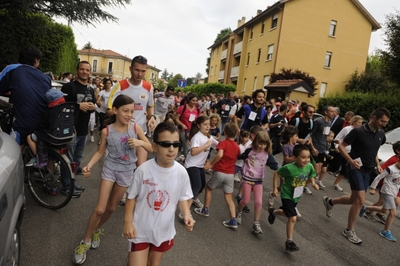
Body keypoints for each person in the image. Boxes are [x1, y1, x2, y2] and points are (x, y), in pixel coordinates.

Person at [72, 95, 152, 265]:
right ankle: (85, 241)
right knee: (100, 209)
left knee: (111, 208)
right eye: (125, 111)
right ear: (115, 110)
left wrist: (139, 142)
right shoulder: (106, 131)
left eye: (132, 111)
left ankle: (97, 229)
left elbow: (151, 147)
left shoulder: (136, 128)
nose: (129, 114)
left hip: (126, 173)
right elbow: (101, 152)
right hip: (109, 170)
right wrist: (89, 165)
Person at [123, 122, 195, 266]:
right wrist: (128, 222)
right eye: (165, 144)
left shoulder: (181, 172)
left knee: (153, 264)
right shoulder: (143, 170)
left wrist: (187, 214)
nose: (171, 149)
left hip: (164, 231)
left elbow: (183, 197)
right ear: (154, 147)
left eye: (176, 144)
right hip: (140, 230)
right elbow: (131, 197)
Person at [322, 108, 390, 245]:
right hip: (355, 168)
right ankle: (349, 230)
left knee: (354, 199)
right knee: (360, 200)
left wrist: (377, 163)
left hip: (368, 170)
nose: (384, 124)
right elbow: (341, 146)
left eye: (386, 122)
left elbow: (374, 150)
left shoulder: (381, 134)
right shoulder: (358, 131)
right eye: (383, 121)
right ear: (374, 117)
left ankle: (330, 202)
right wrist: (350, 160)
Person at [107, 55, 156, 166]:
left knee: (140, 166)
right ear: (130, 69)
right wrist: (123, 116)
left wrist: (152, 117)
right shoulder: (120, 86)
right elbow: (109, 110)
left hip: (140, 132)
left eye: (143, 71)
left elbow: (150, 106)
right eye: (137, 70)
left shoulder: (148, 87)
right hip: (122, 133)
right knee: (122, 166)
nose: (140, 74)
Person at [268, 144, 318, 252]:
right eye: (303, 157)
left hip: (297, 195)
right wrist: (275, 188)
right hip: (287, 195)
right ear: (295, 157)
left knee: (288, 213)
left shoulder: (309, 166)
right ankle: (289, 242)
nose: (306, 160)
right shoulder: (289, 168)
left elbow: (312, 174)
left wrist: (313, 183)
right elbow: (277, 173)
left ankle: (274, 212)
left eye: (308, 157)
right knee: (293, 217)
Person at [0, 45, 51, 145]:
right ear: (36, 60)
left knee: (12, 150)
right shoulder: (45, 77)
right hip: (42, 123)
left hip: (22, 123)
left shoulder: (11, 69)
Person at [61, 61, 96, 197]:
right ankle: (66, 186)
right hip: (70, 131)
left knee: (76, 161)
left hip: (83, 131)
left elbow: (92, 105)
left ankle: (72, 183)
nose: (85, 72)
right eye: (82, 69)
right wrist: (77, 106)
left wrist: (93, 108)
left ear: (90, 72)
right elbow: (61, 107)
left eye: (87, 70)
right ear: (77, 71)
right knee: (68, 161)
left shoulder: (90, 89)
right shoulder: (69, 87)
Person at [196, 123, 240, 229]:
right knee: (229, 197)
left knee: (209, 189)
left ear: (225, 132)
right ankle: (233, 219)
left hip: (220, 171)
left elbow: (220, 154)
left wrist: (211, 164)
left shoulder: (223, 143)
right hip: (230, 174)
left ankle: (205, 209)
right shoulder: (237, 147)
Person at [236, 131, 272, 234]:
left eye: (264, 144)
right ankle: (239, 212)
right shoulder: (250, 150)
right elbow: (240, 156)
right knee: (245, 200)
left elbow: (274, 165)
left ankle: (256, 223)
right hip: (247, 178)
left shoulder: (267, 154)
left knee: (258, 202)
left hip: (258, 180)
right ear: (256, 142)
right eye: (260, 143)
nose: (262, 146)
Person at [360, 157, 400, 242]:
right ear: (398, 160)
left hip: (394, 192)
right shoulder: (390, 169)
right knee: (393, 212)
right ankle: (385, 231)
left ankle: (364, 208)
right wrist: (373, 188)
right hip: (387, 191)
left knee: (383, 209)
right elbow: (379, 177)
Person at [184, 115, 218, 212]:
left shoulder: (209, 137)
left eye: (209, 124)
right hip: (191, 165)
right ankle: (185, 211)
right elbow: (193, 152)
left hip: (199, 165)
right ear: (199, 125)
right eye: (205, 124)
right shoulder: (197, 137)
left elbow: (219, 145)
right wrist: (206, 145)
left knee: (202, 185)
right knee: (197, 186)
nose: (208, 126)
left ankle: (193, 198)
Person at [25, 89, 66, 166]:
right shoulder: (63, 110)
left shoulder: (49, 111)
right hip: (62, 135)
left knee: (29, 137)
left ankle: (37, 157)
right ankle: (51, 173)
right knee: (51, 159)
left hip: (49, 136)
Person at [364, 141, 400, 224]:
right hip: (386, 183)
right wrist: (374, 186)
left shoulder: (397, 159)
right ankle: (367, 211)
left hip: (395, 185)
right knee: (381, 202)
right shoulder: (393, 160)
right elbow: (382, 171)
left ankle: (380, 213)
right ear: (398, 151)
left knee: (396, 202)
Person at [331, 115, 364, 192]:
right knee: (334, 167)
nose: (360, 124)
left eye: (361, 123)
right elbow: (337, 138)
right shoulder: (346, 129)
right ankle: (318, 177)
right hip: (341, 150)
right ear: (354, 122)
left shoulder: (360, 132)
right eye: (359, 122)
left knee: (344, 169)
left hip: (349, 152)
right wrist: (337, 147)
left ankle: (336, 184)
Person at [308, 106, 335, 192]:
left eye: (334, 112)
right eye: (331, 111)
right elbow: (310, 135)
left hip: (322, 149)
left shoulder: (330, 123)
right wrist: (312, 148)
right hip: (315, 148)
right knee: (315, 170)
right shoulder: (319, 121)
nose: (333, 113)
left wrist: (332, 140)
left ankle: (305, 184)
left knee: (318, 171)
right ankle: (304, 184)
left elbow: (324, 136)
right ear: (326, 112)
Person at [175, 93, 201, 159]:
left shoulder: (197, 110)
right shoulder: (182, 108)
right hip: (183, 130)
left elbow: (198, 120)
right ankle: (187, 161)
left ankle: (184, 158)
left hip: (193, 130)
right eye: (193, 100)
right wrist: (182, 125)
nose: (195, 102)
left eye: (196, 101)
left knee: (193, 145)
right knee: (186, 145)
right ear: (189, 100)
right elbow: (176, 119)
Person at [96, 78, 113, 144]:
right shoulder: (102, 92)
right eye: (107, 83)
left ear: (111, 84)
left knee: (109, 125)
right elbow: (98, 99)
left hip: (110, 111)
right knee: (103, 125)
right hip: (102, 111)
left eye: (109, 83)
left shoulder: (113, 92)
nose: (108, 84)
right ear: (105, 84)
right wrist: (99, 102)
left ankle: (108, 139)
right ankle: (101, 139)